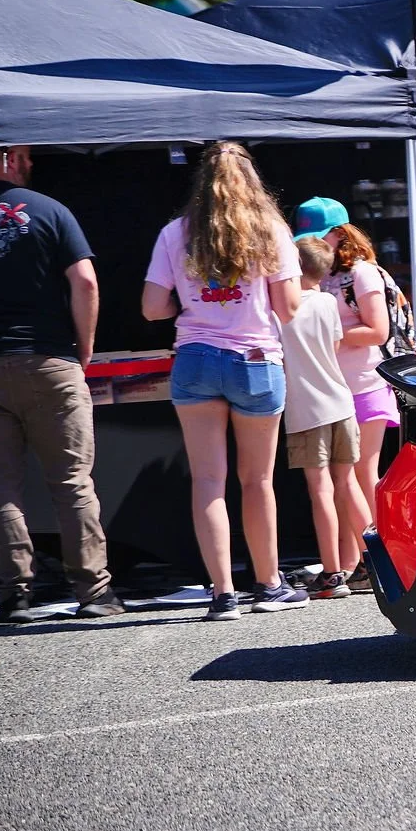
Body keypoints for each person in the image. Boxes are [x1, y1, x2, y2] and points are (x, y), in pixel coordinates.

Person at [0, 145, 123, 622]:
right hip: (49, 360)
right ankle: (94, 593)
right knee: (72, 482)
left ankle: (15, 595)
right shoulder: (48, 209)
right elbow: (85, 281)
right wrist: (84, 347)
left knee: (0, 485)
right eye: (25, 155)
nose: (31, 162)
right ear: (10, 156)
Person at [142, 142, 307, 621]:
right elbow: (289, 308)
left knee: (208, 480)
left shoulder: (175, 233)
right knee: (256, 481)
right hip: (254, 360)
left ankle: (222, 594)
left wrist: (193, 308)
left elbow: (152, 308)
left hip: (194, 358)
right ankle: (268, 584)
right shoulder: (271, 231)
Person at [293, 197, 393, 585]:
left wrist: (328, 337)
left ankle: (382, 560)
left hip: (366, 386)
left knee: (361, 475)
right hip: (334, 389)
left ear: (340, 233)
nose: (315, 246)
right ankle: (357, 565)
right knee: (344, 479)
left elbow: (378, 331)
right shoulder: (325, 275)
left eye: (320, 237)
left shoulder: (363, 273)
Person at [278, 236, 373, 600]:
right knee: (348, 484)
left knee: (321, 491)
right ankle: (372, 561)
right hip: (341, 403)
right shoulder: (328, 302)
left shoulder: (282, 310)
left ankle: (333, 572)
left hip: (306, 410)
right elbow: (334, 346)